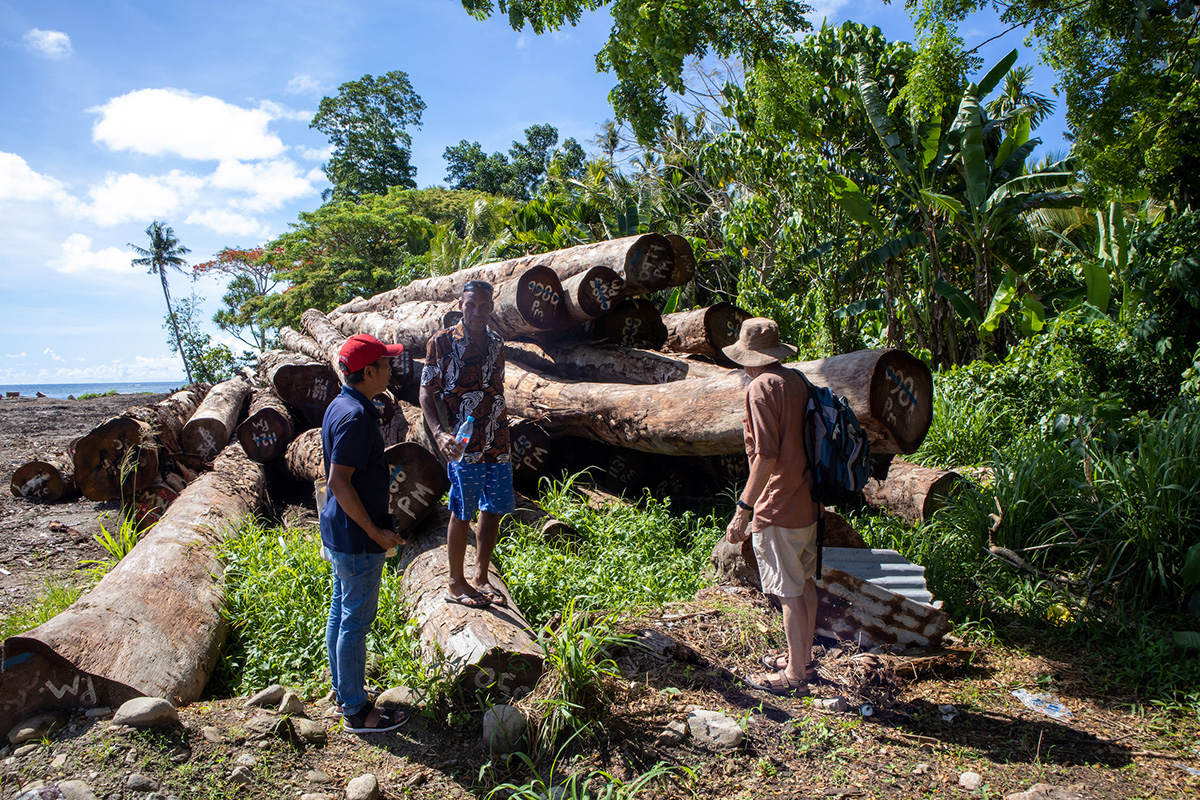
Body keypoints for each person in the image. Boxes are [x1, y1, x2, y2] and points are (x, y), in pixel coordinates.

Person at [722, 317, 820, 696]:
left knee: (787, 590)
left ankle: (795, 675)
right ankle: (803, 657)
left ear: (749, 356)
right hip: (807, 499)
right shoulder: (795, 381)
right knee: (804, 581)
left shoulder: (761, 388)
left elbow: (765, 455)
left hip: (777, 504)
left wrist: (743, 508)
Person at [321, 333, 409, 733]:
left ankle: (344, 690)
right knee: (355, 621)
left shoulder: (344, 405)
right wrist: (374, 531)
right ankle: (357, 711)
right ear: (368, 371)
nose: (391, 369)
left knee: (342, 612)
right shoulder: (355, 417)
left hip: (340, 531)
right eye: (386, 364)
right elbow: (339, 482)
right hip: (357, 537)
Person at [419, 280, 515, 609]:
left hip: (498, 438)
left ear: (491, 307)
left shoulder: (496, 342)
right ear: (461, 304)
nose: (477, 311)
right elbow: (425, 391)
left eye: (484, 306)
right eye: (471, 305)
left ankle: (481, 576)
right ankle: (455, 584)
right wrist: (440, 434)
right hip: (463, 444)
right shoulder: (442, 343)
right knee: (461, 511)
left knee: (492, 510)